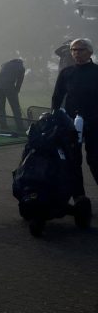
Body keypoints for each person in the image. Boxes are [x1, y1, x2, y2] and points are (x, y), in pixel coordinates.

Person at [51, 38, 98, 196]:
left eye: (80, 50)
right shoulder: (67, 73)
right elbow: (57, 97)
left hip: (95, 122)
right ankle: (80, 199)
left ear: (90, 52)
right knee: (73, 161)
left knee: (95, 160)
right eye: (73, 50)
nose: (76, 53)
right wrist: (54, 116)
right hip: (71, 123)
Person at [0, 58, 26, 133]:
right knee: (15, 107)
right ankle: (20, 126)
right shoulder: (21, 66)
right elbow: (20, 80)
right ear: (20, 62)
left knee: (1, 107)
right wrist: (17, 89)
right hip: (9, 86)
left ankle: (3, 125)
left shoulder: (4, 64)